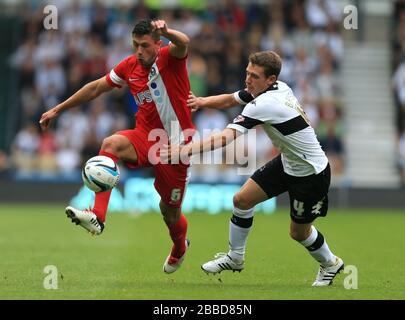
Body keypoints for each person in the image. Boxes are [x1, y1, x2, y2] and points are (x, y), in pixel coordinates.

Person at [162, 51, 344, 286]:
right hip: (288, 161)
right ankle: (235, 257)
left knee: (298, 232)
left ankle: (330, 263)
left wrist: (182, 151)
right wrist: (201, 102)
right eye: (247, 73)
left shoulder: (264, 104)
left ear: (270, 79)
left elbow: (225, 138)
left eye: (254, 76)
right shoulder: (277, 87)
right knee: (242, 200)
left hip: (311, 173)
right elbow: (232, 98)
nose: (248, 79)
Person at [39, 19, 193, 274]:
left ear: (158, 43)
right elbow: (97, 87)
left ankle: (179, 247)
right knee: (111, 143)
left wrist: (168, 31)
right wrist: (58, 109)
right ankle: (98, 217)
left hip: (176, 144)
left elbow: (184, 42)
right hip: (145, 136)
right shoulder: (130, 66)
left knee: (169, 212)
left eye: (144, 45)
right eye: (135, 45)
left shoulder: (171, 58)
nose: (139, 51)